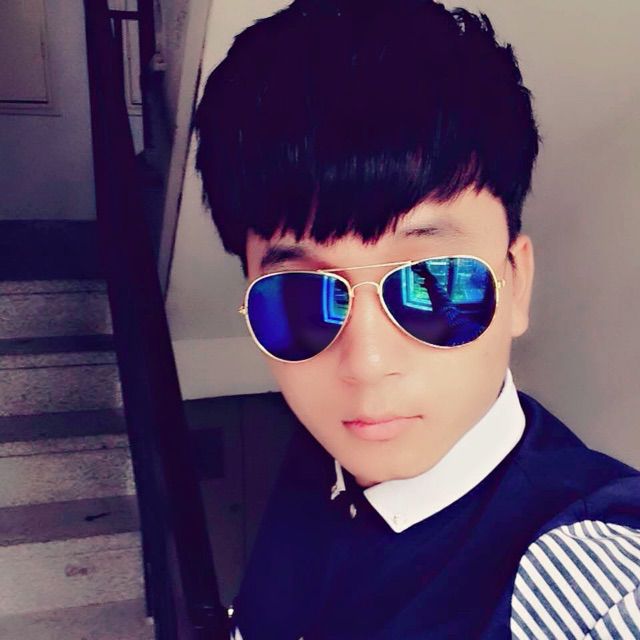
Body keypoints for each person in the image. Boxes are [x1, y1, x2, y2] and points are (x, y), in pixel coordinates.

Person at [193, 1, 640, 637]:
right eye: (302, 297)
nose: (365, 364)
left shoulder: (587, 580)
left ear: (516, 283)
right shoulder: (324, 459)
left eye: (432, 284)